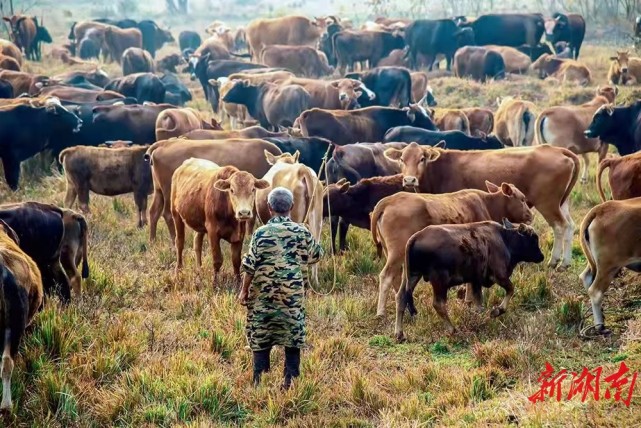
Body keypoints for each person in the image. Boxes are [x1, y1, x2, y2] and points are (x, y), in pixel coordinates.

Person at [239, 187, 324, 389]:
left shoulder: (260, 233)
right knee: (292, 336)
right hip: (292, 298)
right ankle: (290, 382)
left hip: (263, 298)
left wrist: (243, 291)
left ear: (269, 208)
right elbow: (316, 255)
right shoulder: (300, 231)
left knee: (261, 335)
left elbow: (249, 265)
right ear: (292, 207)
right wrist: (307, 234)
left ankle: (259, 381)